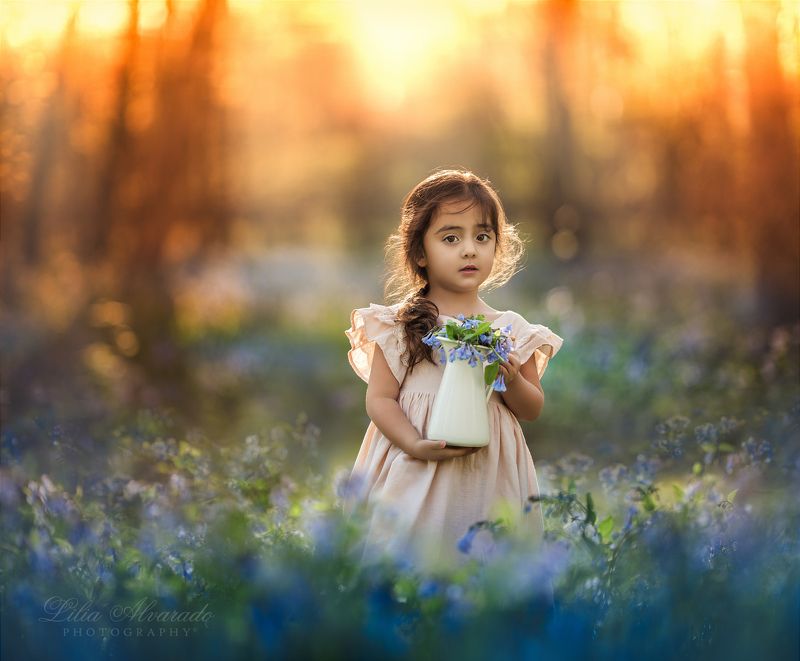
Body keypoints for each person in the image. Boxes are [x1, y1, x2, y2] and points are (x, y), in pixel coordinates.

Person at [343, 167, 564, 573]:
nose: (469, 250)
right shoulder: (398, 324)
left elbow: (531, 408)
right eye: (451, 238)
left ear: (497, 246)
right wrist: (412, 442)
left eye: (482, 237)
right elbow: (380, 399)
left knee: (487, 570)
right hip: (415, 463)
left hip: (488, 475)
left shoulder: (511, 329)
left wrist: (510, 378)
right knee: (406, 563)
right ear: (420, 252)